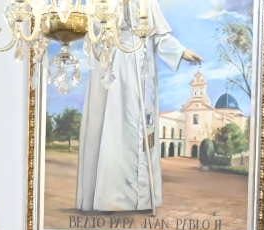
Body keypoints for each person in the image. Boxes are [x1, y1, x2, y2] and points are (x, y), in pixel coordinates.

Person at [74, 0, 200, 213]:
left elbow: (159, 35)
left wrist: (181, 51)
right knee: (111, 127)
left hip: (140, 65)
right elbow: (92, 31)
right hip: (112, 65)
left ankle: (139, 199)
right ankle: (108, 198)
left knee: (139, 128)